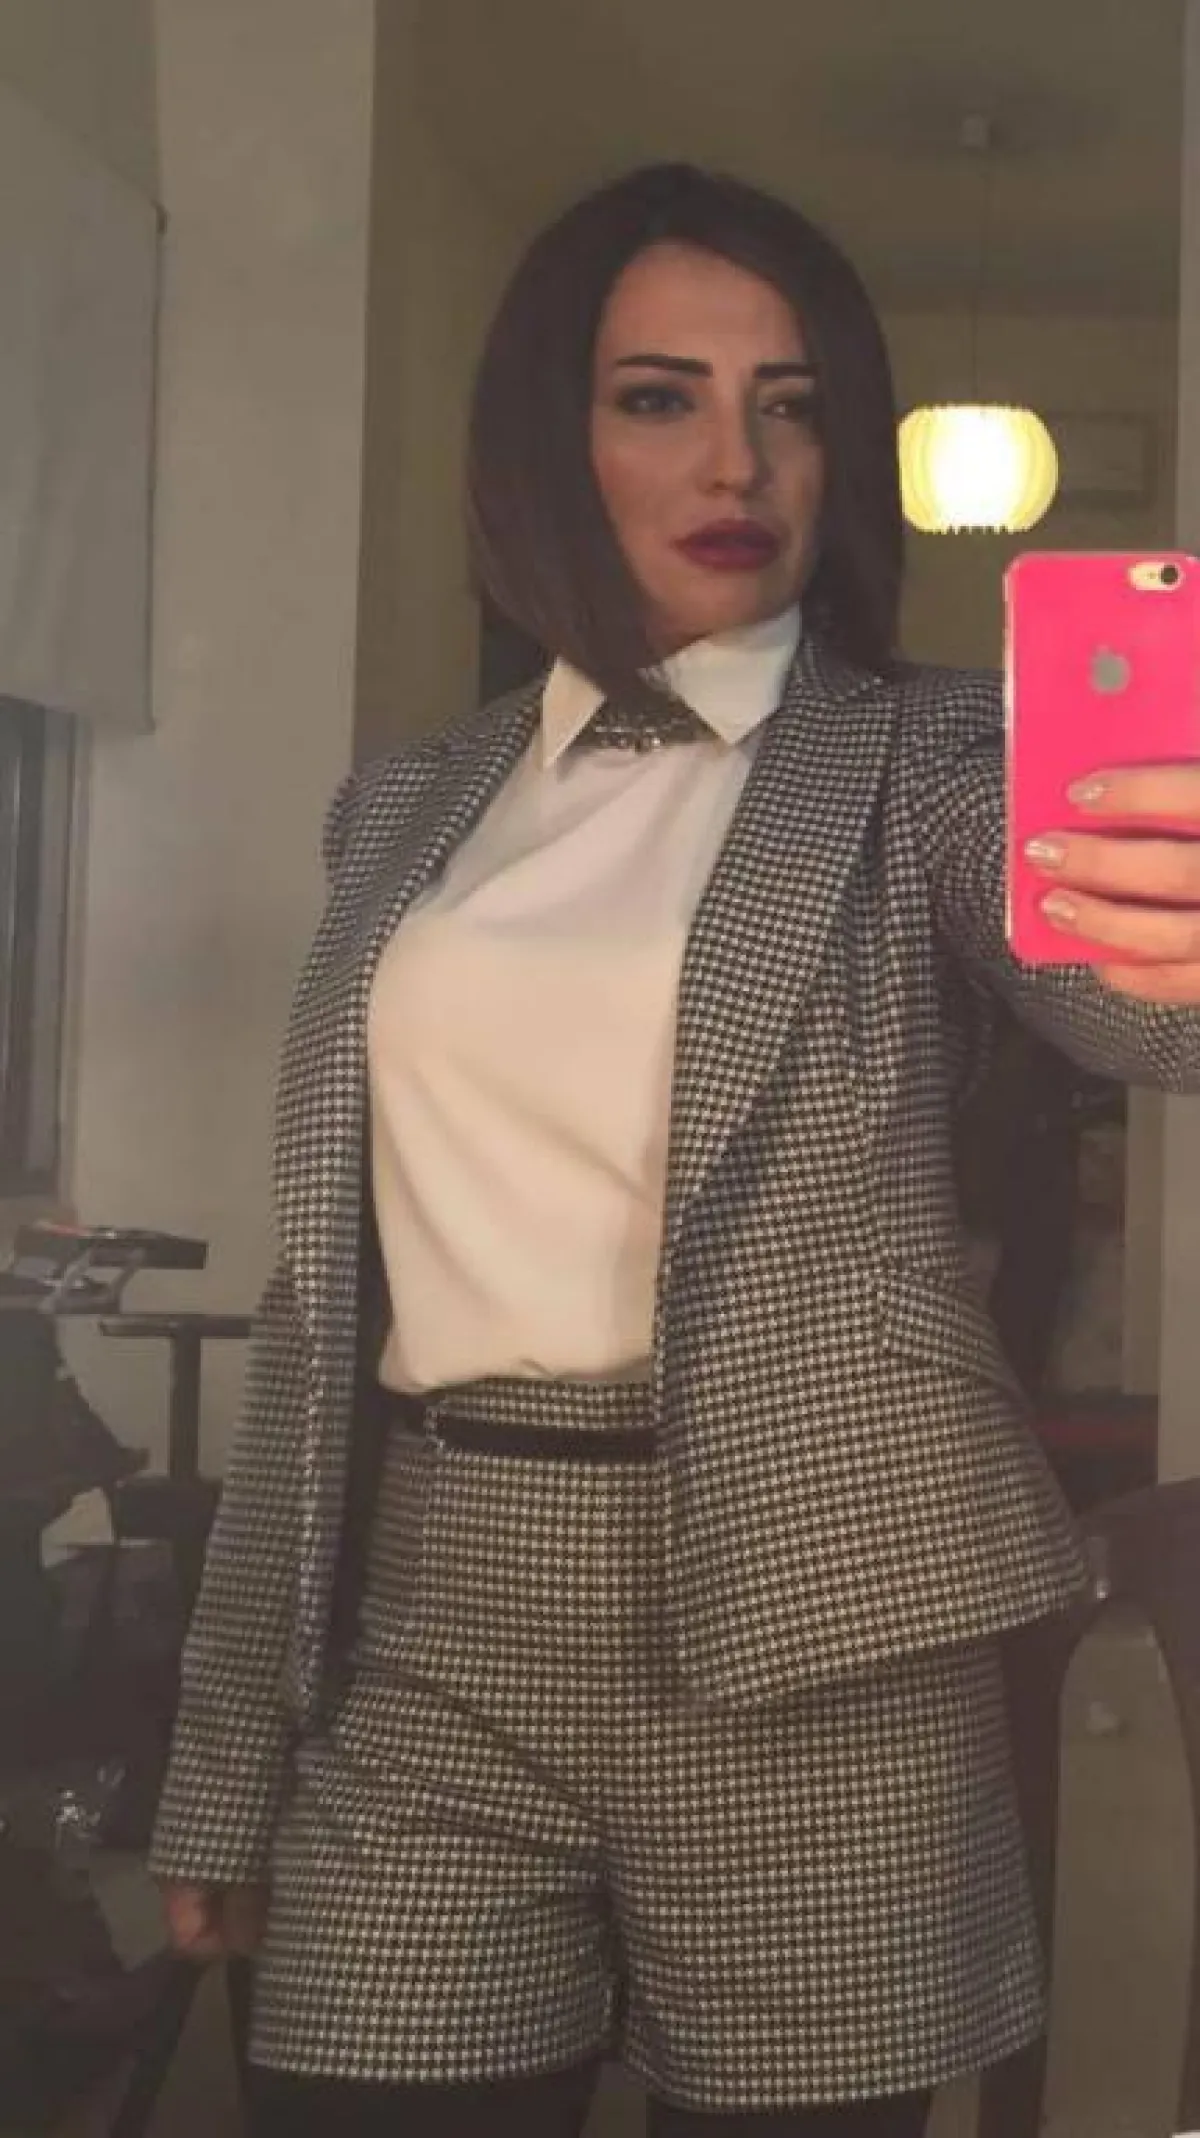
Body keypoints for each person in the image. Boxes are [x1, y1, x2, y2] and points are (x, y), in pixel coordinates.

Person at [150, 164, 1200, 2138]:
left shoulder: (929, 761)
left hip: (821, 1628)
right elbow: (321, 1292)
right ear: (546, 436)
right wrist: (223, 1758)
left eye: (792, 404)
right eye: (661, 397)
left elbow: (1151, 1009)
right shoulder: (408, 804)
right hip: (433, 1613)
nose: (740, 461)